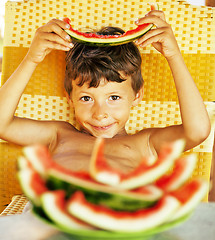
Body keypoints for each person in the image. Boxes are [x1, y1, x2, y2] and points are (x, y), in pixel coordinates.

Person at [0, 9, 211, 173]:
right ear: (70, 98)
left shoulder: (146, 143)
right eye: (86, 98)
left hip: (124, 221)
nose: (100, 113)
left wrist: (173, 55)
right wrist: (32, 58)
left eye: (114, 97)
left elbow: (198, 131)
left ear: (137, 95)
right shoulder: (59, 135)